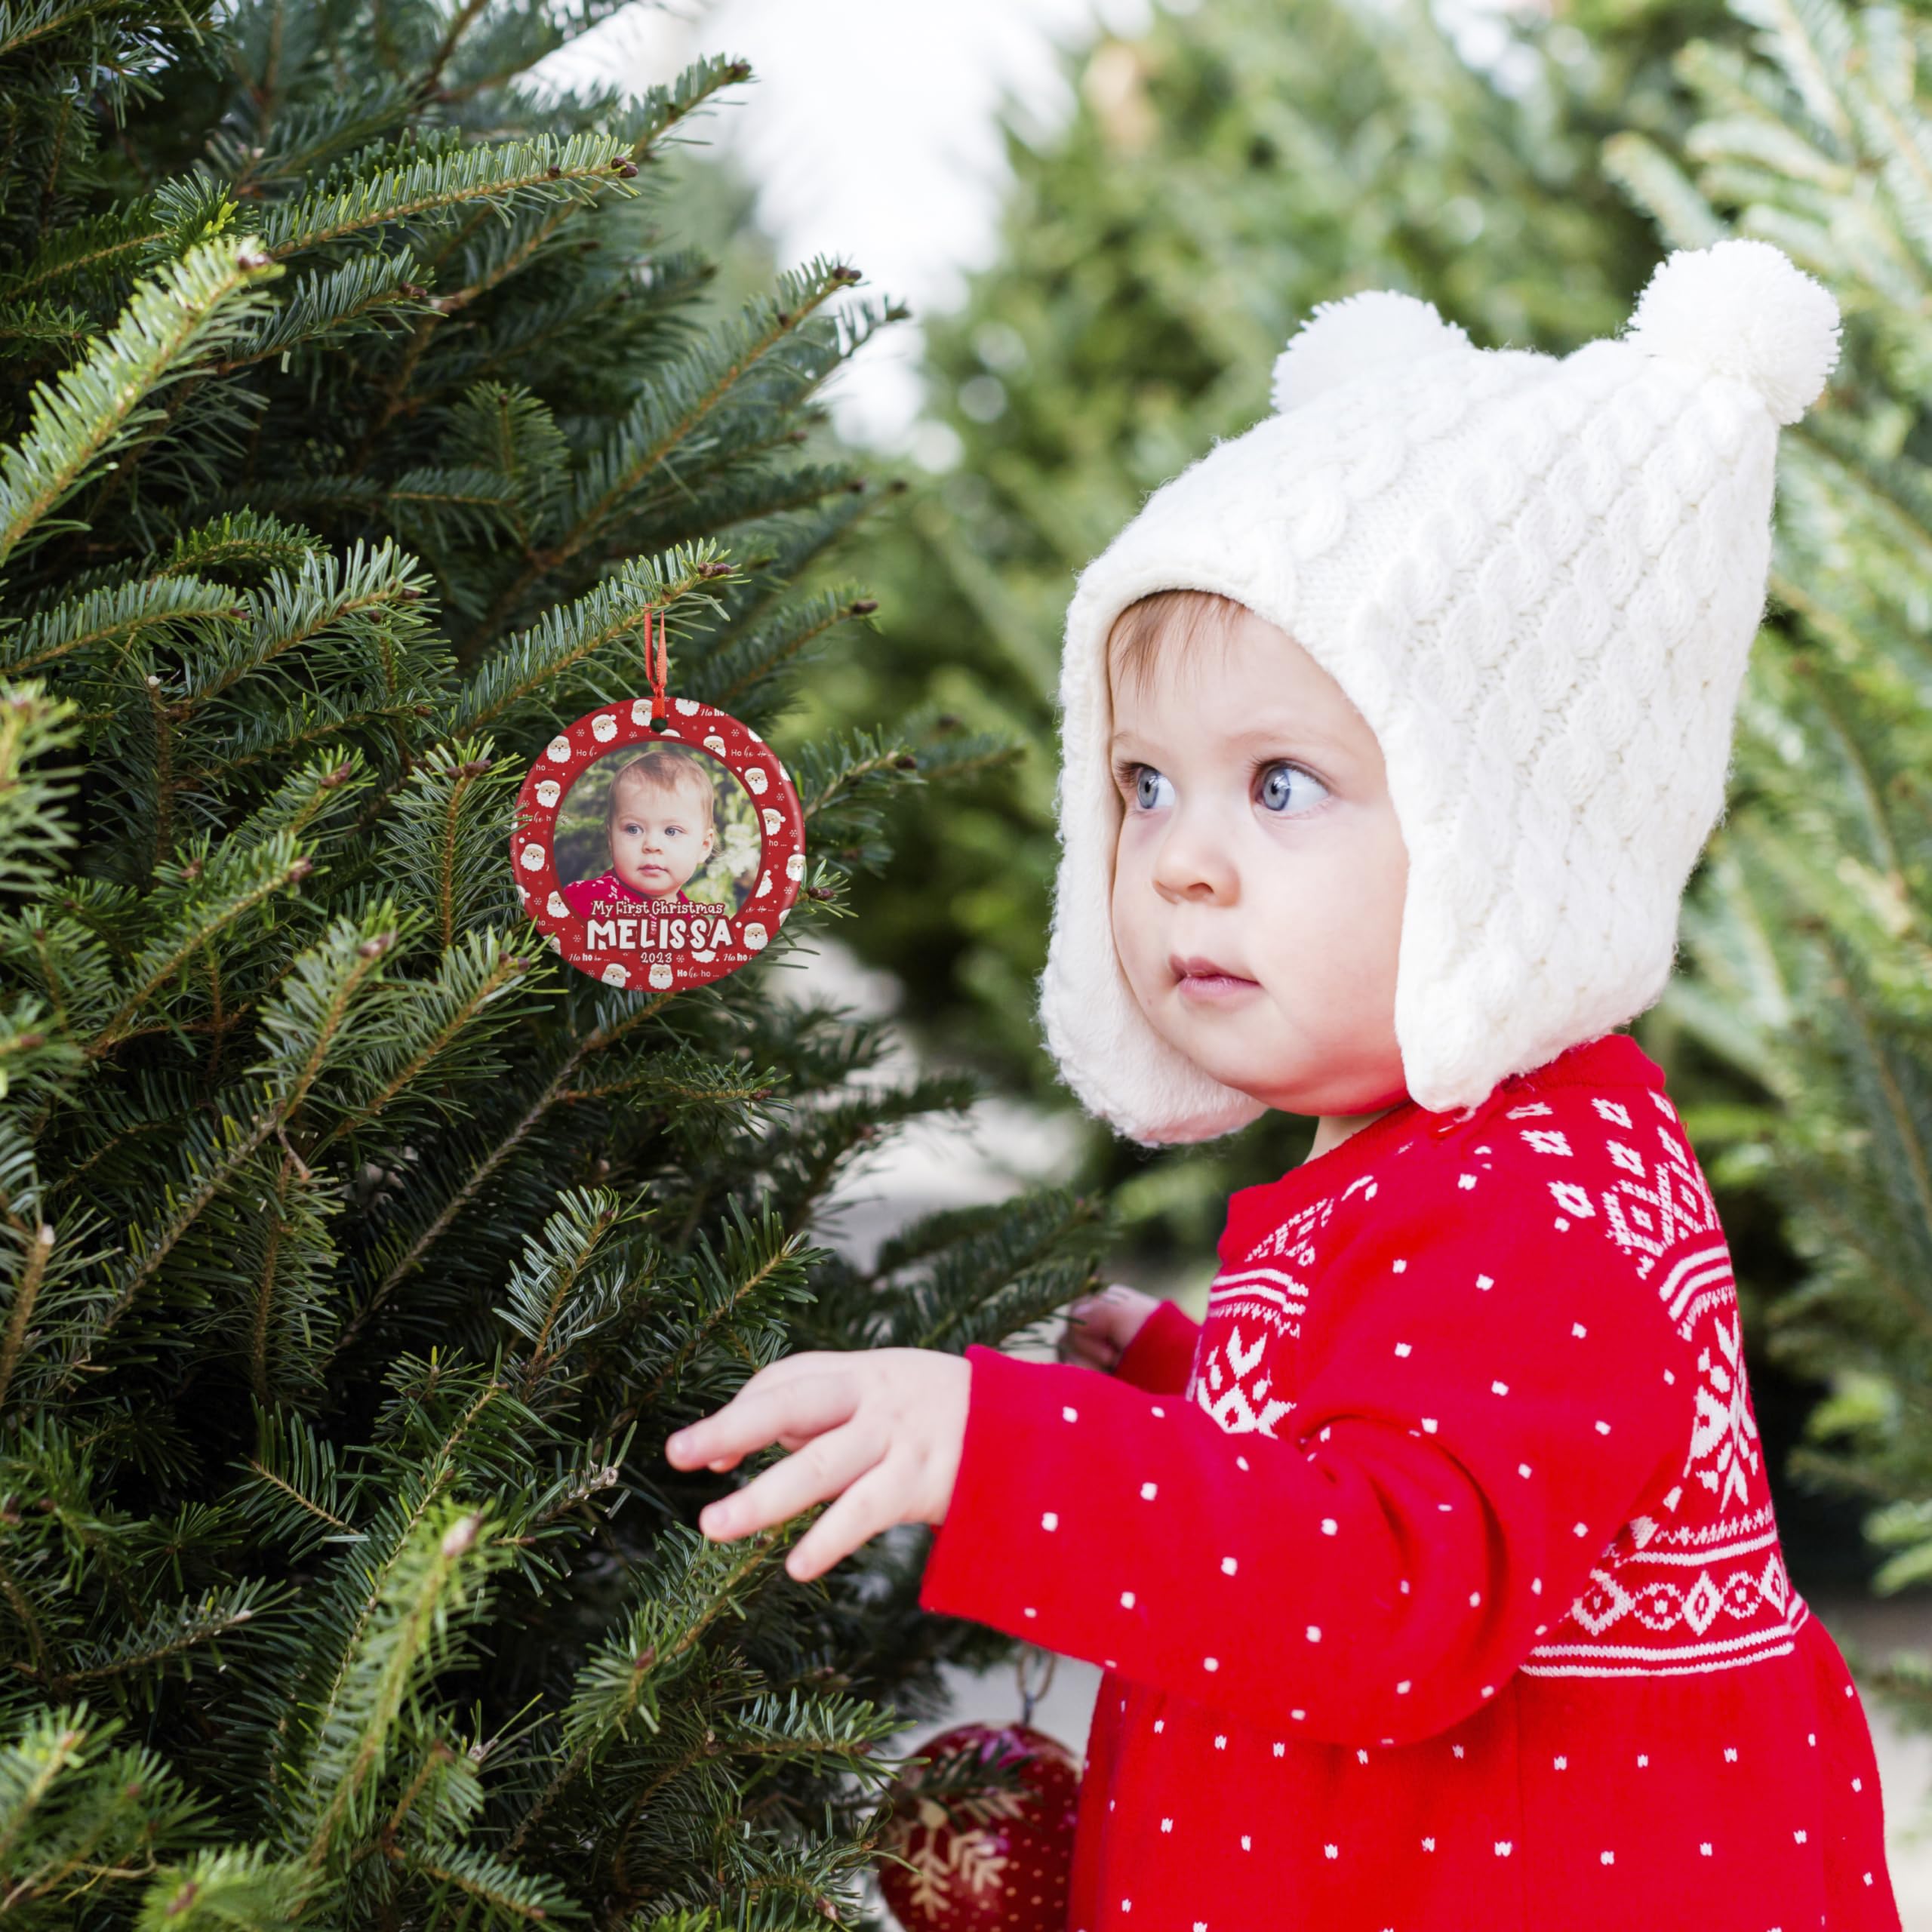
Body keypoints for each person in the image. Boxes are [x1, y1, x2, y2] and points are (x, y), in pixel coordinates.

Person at [665, 239, 1903, 1930]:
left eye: (1281, 784)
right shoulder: (1456, 1140)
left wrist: (1014, 1452)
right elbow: (1415, 1436)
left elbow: (1398, 1586)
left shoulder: (1533, 1192)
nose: (1180, 858)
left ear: (1508, 847)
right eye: (1145, 782)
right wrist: (1180, 1381)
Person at [562, 746, 716, 918]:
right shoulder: (586, 901)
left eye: (671, 831)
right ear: (611, 839)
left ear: (704, 846)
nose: (651, 845)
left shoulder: (695, 926)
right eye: (633, 829)